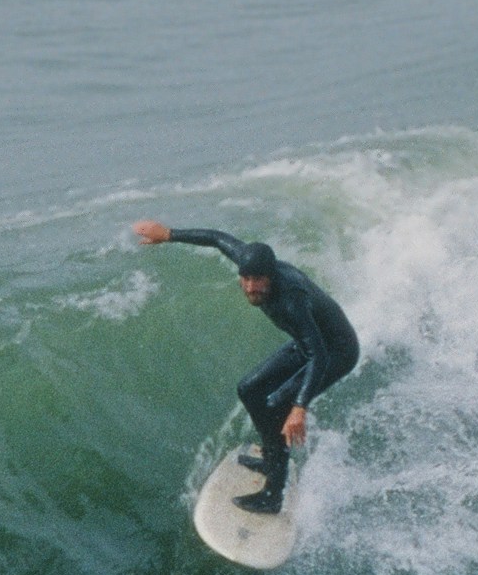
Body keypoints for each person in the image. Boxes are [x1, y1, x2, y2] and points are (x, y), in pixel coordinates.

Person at [131, 220, 361, 514]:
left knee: (279, 405)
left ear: (271, 275)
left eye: (259, 280)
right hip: (311, 344)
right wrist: (169, 235)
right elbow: (216, 237)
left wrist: (299, 407)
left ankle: (273, 495)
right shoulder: (247, 259)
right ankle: (271, 458)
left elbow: (319, 355)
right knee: (250, 390)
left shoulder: (292, 299)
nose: (251, 287)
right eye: (246, 278)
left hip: (335, 352)